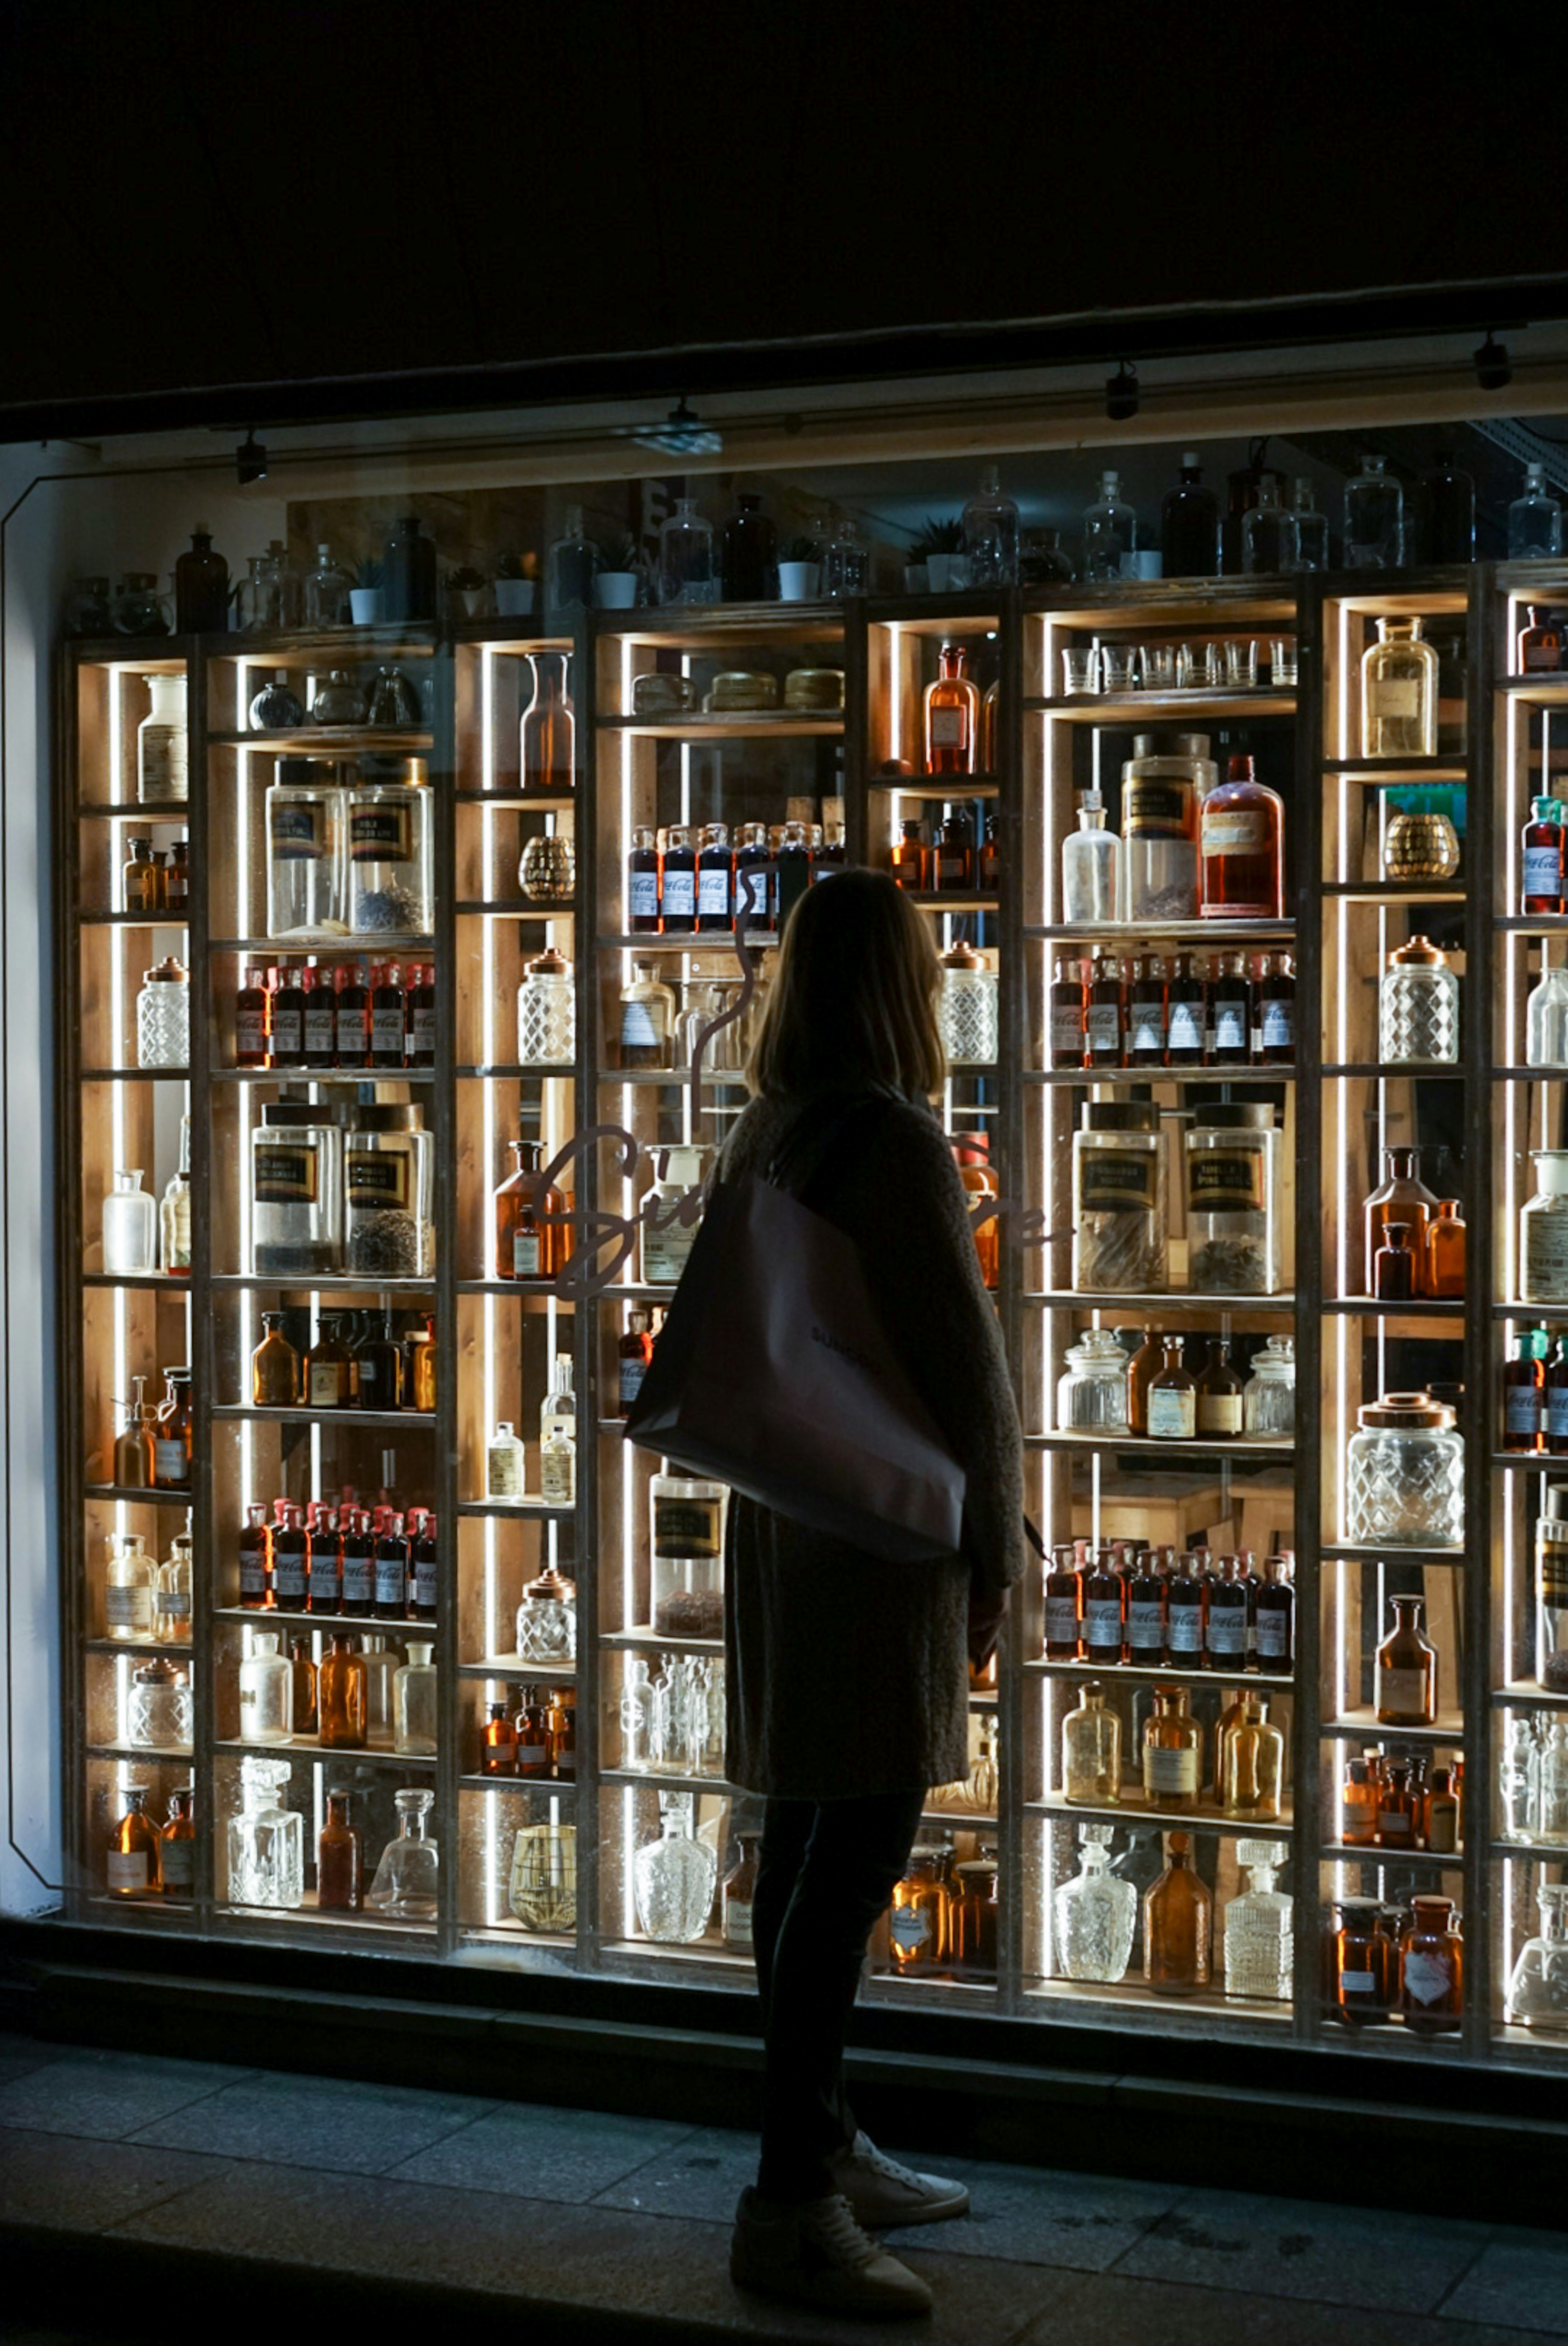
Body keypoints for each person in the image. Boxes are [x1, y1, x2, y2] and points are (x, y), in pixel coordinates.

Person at [719, 869, 1024, 2319]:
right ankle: (787, 2204)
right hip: (880, 1535)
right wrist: (996, 1554)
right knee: (850, 1870)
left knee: (798, 1841)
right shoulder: (899, 1140)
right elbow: (969, 1375)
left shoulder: (767, 1123)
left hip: (784, 1523)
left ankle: (824, 2144)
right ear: (905, 988)